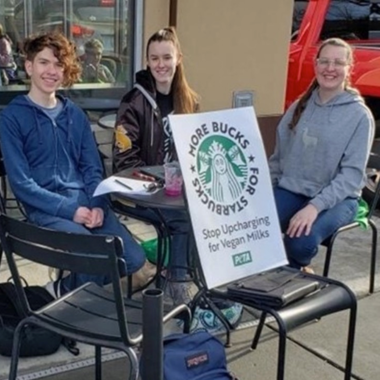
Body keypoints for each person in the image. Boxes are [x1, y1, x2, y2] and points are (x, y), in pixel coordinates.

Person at [0, 32, 145, 298]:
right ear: (29, 66)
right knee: (94, 254)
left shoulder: (75, 115)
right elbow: (22, 185)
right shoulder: (12, 118)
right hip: (45, 210)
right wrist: (72, 211)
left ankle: (61, 290)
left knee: (133, 259)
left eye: (58, 64)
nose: (51, 71)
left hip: (86, 203)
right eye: (44, 63)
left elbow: (92, 169)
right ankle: (73, 303)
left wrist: (97, 205)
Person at [269, 37, 374, 272]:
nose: (330, 68)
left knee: (299, 243)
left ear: (349, 68)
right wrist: (264, 196)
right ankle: (268, 275)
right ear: (315, 65)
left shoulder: (359, 116)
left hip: (338, 199)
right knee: (255, 228)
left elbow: (351, 176)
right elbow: (278, 159)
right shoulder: (299, 106)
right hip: (293, 188)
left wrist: (314, 207)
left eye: (338, 62)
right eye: (324, 61)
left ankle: (292, 273)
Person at [112, 27, 199, 305]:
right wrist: (159, 183)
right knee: (184, 220)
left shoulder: (190, 100)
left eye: (167, 57)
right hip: (143, 190)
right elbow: (124, 161)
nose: (161, 64)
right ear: (147, 62)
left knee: (207, 214)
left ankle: (184, 273)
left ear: (179, 59)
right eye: (154, 58)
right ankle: (178, 281)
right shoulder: (133, 102)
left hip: (176, 191)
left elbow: (194, 150)